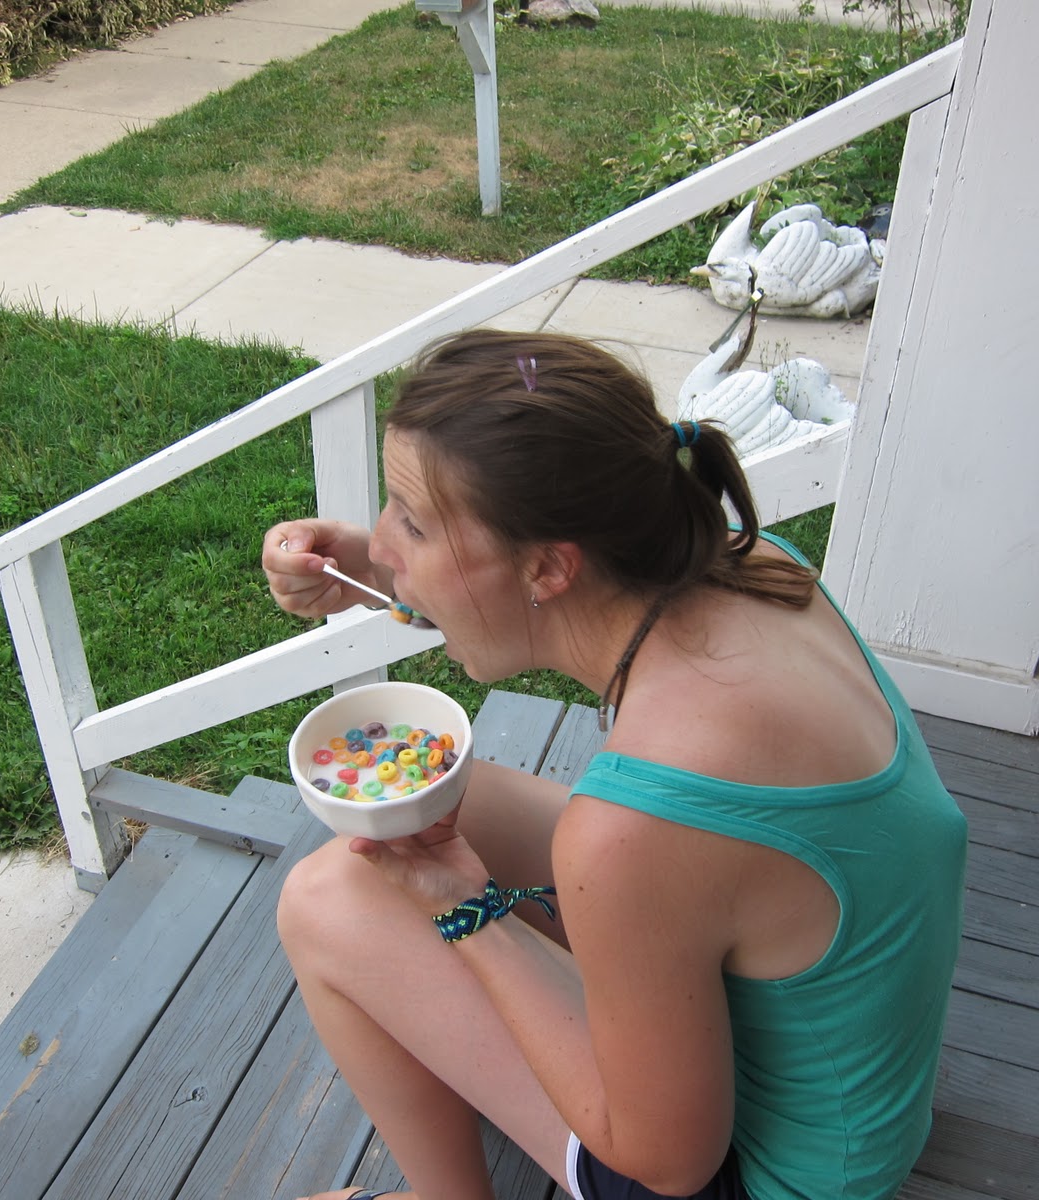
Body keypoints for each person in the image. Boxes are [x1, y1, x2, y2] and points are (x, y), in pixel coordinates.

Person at [263, 329, 967, 1200]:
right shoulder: (750, 564)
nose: (382, 539)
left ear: (548, 567)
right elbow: (530, 590)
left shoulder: (637, 825)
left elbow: (666, 1164)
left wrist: (466, 912)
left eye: (412, 520)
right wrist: (369, 568)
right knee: (439, 810)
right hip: (858, 1098)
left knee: (325, 899)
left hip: (766, 1179)